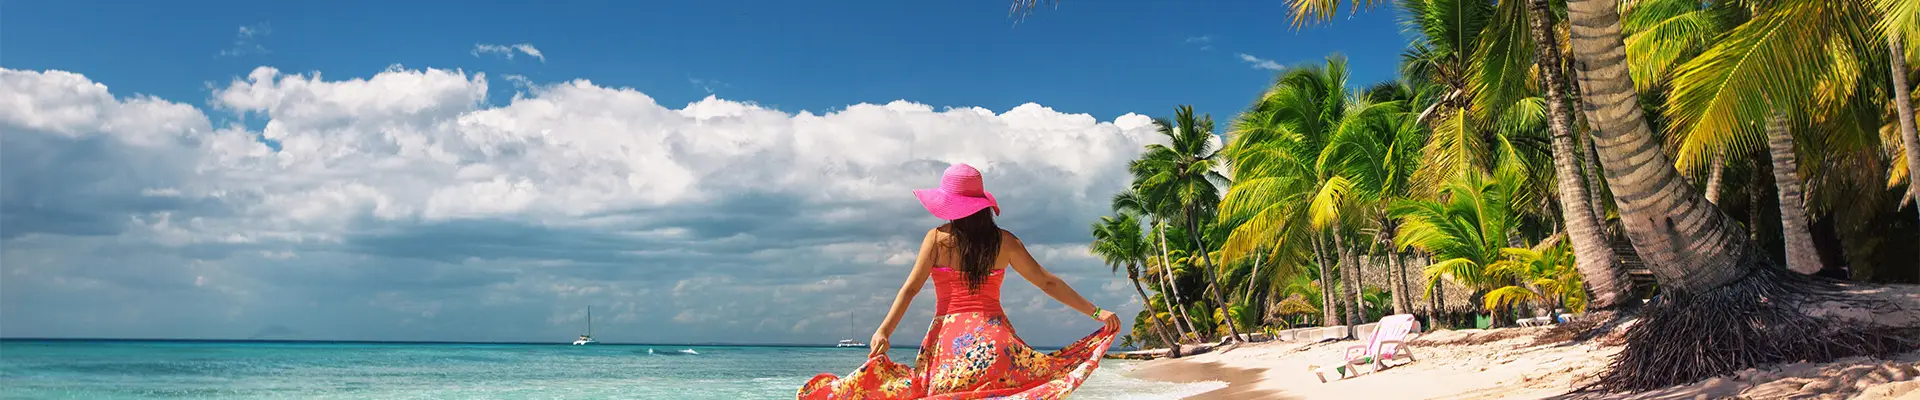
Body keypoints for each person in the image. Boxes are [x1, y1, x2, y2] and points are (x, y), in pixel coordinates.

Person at [797, 163, 1123, 400]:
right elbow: (1047, 283)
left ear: (949, 204)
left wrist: (884, 330)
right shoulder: (1005, 242)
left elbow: (910, 290)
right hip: (997, 344)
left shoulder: (936, 240)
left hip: (949, 344)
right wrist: (1097, 313)